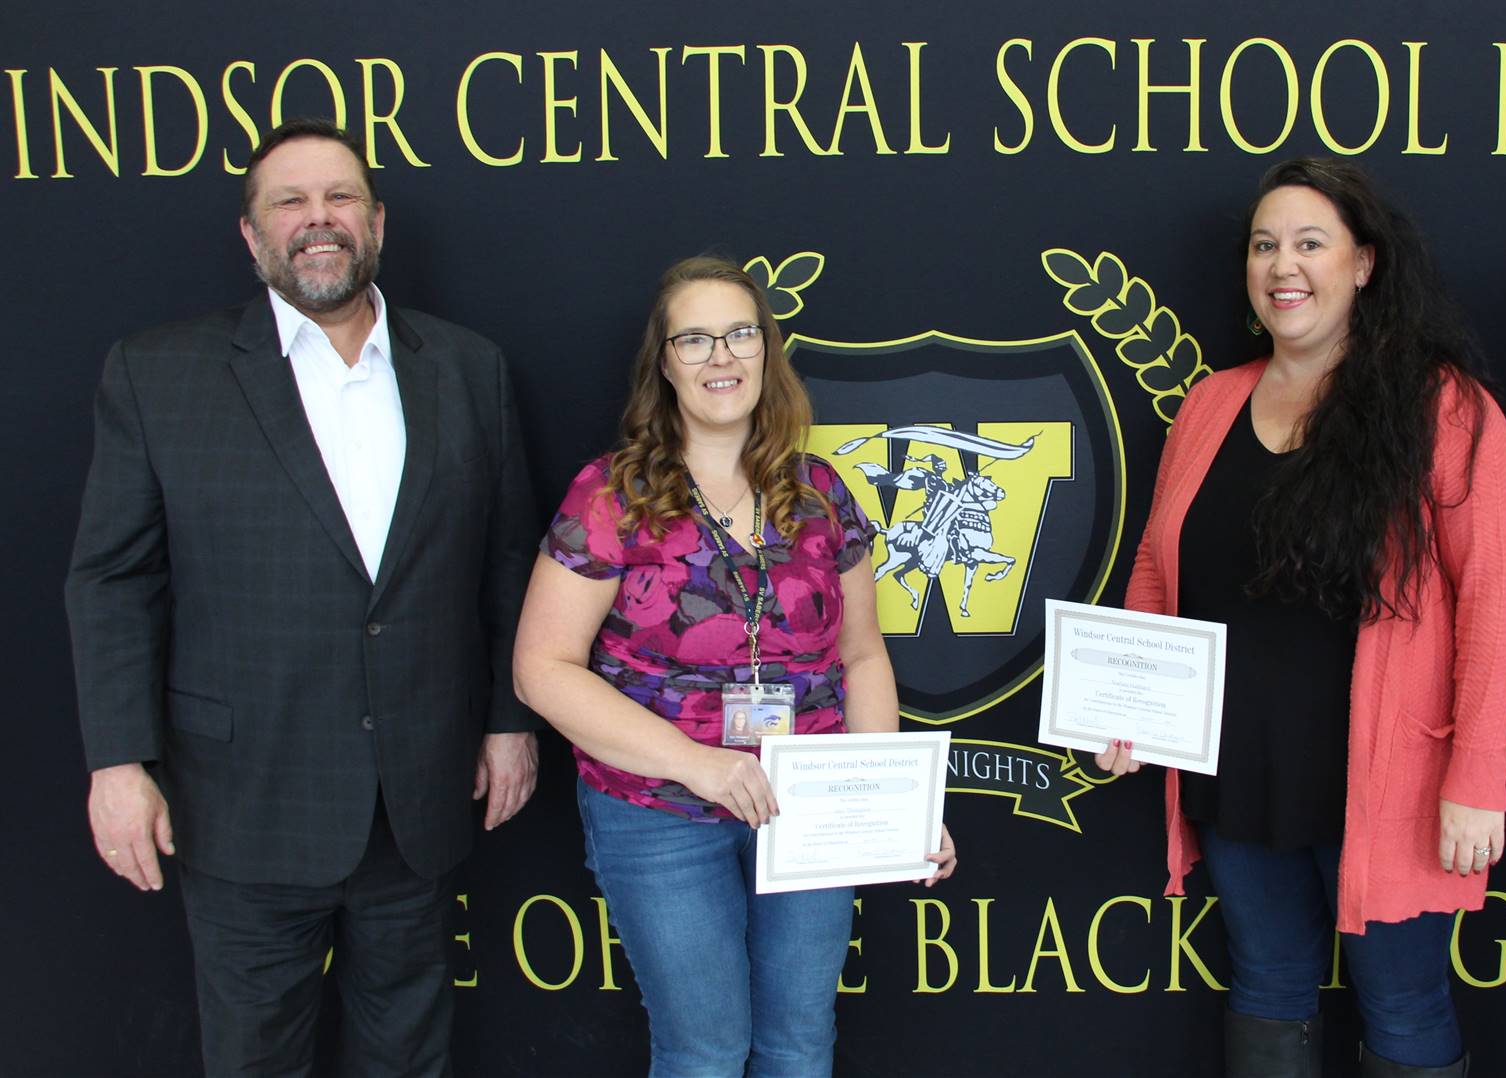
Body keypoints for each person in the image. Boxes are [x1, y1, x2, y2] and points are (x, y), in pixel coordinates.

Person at [66, 117, 541, 1075]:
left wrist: (507, 720)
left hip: (420, 799)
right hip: (242, 803)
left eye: (338, 199)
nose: (316, 219)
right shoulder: (158, 374)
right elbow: (114, 581)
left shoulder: (466, 367)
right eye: (289, 201)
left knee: (409, 1055)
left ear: (376, 223)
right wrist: (119, 761)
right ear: (252, 235)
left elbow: (504, 563)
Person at [1098, 159, 1506, 1077]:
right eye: (1264, 245)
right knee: (1266, 983)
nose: (1281, 265)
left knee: (1406, 1004)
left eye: (1309, 243)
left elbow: (1496, 603)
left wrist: (1478, 777)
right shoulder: (1213, 402)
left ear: (1365, 264)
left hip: (1392, 781)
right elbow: (1156, 562)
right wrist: (1127, 701)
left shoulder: (1447, 410)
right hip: (1237, 767)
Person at [511, 256, 955, 1077]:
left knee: (797, 1045)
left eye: (740, 333)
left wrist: (897, 801)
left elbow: (861, 654)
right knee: (705, 1051)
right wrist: (700, 766)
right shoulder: (612, 494)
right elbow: (543, 667)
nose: (722, 356)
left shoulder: (821, 492)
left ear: (767, 351)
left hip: (809, 809)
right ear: (665, 363)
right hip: (657, 810)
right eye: (696, 339)